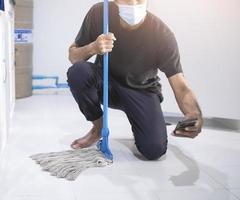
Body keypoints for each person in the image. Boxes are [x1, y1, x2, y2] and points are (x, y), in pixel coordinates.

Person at [66, 0, 203, 160]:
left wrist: (194, 114)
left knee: (154, 150)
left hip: (142, 91)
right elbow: (73, 56)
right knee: (78, 72)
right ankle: (98, 128)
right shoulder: (100, 13)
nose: (132, 3)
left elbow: (181, 86)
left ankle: (143, 124)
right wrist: (93, 48)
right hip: (107, 85)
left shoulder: (162, 34)